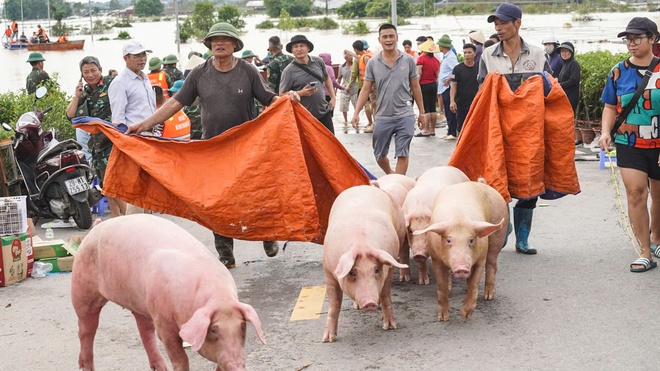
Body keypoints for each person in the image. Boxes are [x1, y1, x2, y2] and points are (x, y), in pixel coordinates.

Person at [124, 23, 300, 268]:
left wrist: (286, 99)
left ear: (235, 45)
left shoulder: (248, 71)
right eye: (215, 40)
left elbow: (269, 99)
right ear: (209, 45)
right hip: (213, 149)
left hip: (246, 147)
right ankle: (225, 252)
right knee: (218, 202)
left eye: (225, 40)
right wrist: (144, 124)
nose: (219, 43)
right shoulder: (199, 73)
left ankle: (267, 234)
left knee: (257, 195)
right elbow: (176, 103)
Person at [478, 3, 552, 255]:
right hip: (499, 130)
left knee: (530, 181)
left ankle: (523, 237)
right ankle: (504, 227)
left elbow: (551, 90)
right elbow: (482, 94)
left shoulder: (539, 55)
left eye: (503, 22)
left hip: (530, 132)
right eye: (495, 23)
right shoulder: (488, 56)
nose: (498, 27)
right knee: (499, 179)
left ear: (517, 23)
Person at [599, 17, 660, 272]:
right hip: (629, 142)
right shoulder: (618, 71)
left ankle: (656, 238)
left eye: (637, 38)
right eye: (628, 39)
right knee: (636, 193)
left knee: (658, 195)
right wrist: (604, 132)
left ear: (653, 39)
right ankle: (644, 250)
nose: (631, 44)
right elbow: (610, 106)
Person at [351, 23, 425, 176]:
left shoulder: (408, 60)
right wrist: (356, 112)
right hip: (383, 115)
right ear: (379, 40)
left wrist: (422, 113)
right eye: (385, 37)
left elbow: (416, 87)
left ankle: (398, 183)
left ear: (397, 38)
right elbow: (366, 89)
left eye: (391, 36)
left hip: (405, 113)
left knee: (403, 152)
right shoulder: (373, 63)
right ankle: (391, 175)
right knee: (379, 153)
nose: (388, 39)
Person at [65, 56, 127, 218]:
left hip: (113, 141)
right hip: (97, 144)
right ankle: (116, 218)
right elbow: (70, 115)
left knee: (115, 184)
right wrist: (77, 96)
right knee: (106, 185)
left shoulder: (112, 83)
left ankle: (129, 218)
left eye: (93, 70)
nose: (90, 75)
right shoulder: (85, 92)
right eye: (86, 72)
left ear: (100, 69)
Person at [280, 35, 336, 134]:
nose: (299, 49)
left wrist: (333, 97)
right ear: (292, 51)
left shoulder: (318, 62)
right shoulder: (288, 71)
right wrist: (301, 93)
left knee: (331, 145)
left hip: (324, 112)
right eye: (295, 47)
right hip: (304, 117)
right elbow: (282, 95)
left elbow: (327, 78)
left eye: (302, 46)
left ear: (308, 48)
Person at [449, 43, 480, 135]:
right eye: (465, 52)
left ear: (474, 53)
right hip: (461, 103)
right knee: (461, 128)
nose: (467, 55)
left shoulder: (479, 67)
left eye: (469, 52)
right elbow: (453, 85)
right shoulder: (458, 69)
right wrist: (452, 101)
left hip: (476, 103)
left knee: (476, 127)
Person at [348, 39, 376, 132]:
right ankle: (373, 123)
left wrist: (371, 86)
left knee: (373, 105)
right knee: (373, 104)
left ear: (356, 49)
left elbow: (372, 71)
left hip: (370, 86)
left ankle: (374, 124)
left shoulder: (365, 58)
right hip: (368, 85)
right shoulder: (367, 55)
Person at [414, 39, 440, 137]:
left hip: (424, 84)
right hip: (433, 84)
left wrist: (415, 85)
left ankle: (425, 129)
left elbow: (419, 73)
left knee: (426, 108)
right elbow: (437, 74)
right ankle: (432, 129)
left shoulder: (421, 59)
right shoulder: (436, 61)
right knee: (433, 107)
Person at [436, 34, 459, 140]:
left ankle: (453, 132)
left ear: (442, 46)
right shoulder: (446, 56)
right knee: (447, 109)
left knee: (450, 110)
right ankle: (450, 130)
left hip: (448, 87)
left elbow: (456, 70)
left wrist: (449, 78)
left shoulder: (450, 57)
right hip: (444, 87)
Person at [555, 42, 581, 114]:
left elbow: (574, 80)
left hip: (570, 97)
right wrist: (557, 79)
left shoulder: (574, 64)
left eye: (566, 51)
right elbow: (563, 77)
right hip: (564, 96)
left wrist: (560, 85)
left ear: (571, 52)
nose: (564, 53)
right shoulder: (565, 64)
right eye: (562, 51)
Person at [336, 52, 358, 124]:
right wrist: (336, 89)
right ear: (345, 58)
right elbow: (339, 78)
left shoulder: (355, 65)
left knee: (356, 106)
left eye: (351, 56)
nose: (351, 57)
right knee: (343, 107)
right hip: (344, 89)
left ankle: (356, 119)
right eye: (349, 56)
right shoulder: (341, 67)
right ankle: (345, 121)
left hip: (354, 88)